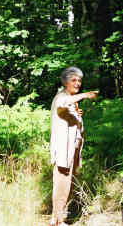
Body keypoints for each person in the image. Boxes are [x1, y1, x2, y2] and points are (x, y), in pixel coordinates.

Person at [50, 66, 98, 226]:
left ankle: (56, 218)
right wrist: (85, 95)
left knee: (67, 184)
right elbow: (62, 104)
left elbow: (68, 117)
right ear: (65, 82)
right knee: (62, 185)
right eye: (73, 80)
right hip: (63, 151)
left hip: (72, 151)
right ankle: (58, 220)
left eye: (79, 81)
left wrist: (77, 115)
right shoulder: (61, 97)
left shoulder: (71, 99)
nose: (77, 84)